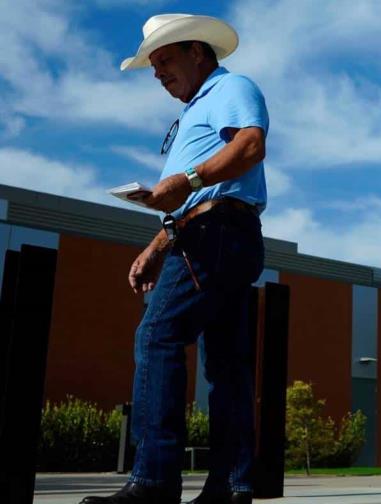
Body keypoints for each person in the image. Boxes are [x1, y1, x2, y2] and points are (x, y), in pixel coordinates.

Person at [81, 13, 268, 504]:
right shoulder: (193, 115)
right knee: (225, 366)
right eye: (153, 66)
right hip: (216, 231)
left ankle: (154, 480)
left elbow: (250, 146)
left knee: (158, 335)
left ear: (198, 53)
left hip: (217, 232)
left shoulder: (230, 88)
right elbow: (189, 200)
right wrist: (156, 247)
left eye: (164, 60)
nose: (158, 73)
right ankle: (231, 485)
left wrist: (187, 179)